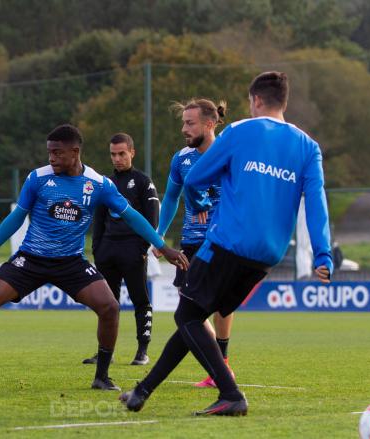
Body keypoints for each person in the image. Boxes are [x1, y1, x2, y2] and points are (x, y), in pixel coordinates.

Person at [0, 124, 188, 392]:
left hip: (71, 263)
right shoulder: (38, 178)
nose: (51, 157)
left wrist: (163, 247)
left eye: (57, 152)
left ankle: (101, 377)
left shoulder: (98, 184)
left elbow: (133, 217)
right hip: (31, 259)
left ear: (75, 153)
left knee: (110, 307)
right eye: (49, 151)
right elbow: (17, 217)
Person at [121, 71, 333, 416]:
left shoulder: (239, 131)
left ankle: (231, 394)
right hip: (268, 255)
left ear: (257, 100)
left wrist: (202, 203)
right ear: (284, 101)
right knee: (194, 317)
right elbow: (317, 203)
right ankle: (142, 392)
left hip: (229, 242)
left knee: (187, 315)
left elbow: (195, 179)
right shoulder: (308, 147)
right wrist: (323, 254)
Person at [153, 98, 236, 388]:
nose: (184, 129)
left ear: (210, 124)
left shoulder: (229, 155)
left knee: (220, 304)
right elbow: (171, 198)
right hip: (189, 243)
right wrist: (159, 234)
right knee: (188, 308)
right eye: (183, 123)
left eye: (190, 123)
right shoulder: (181, 159)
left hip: (221, 240)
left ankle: (221, 365)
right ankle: (219, 368)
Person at [84, 133, 159, 366]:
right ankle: (105, 352)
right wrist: (97, 248)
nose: (117, 159)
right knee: (107, 304)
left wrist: (141, 246)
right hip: (107, 251)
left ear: (132, 153)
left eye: (122, 154)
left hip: (133, 251)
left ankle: (142, 351)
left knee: (140, 300)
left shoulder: (143, 181)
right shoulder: (105, 183)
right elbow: (99, 219)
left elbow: (152, 219)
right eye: (113, 154)